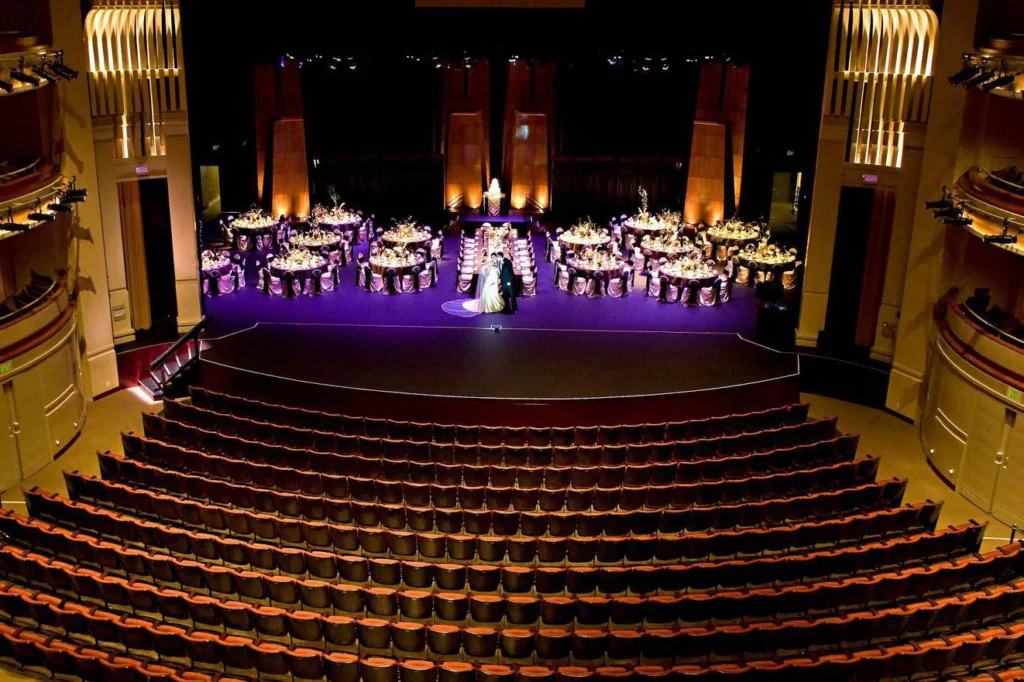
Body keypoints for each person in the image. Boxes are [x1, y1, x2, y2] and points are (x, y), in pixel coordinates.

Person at [500, 248, 518, 314]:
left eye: (498, 257)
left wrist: (509, 281)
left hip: (509, 282)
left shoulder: (507, 262)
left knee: (512, 295)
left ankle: (515, 309)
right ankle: (507, 308)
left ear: (500, 256)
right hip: (503, 282)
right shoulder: (500, 262)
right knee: (505, 296)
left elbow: (510, 272)